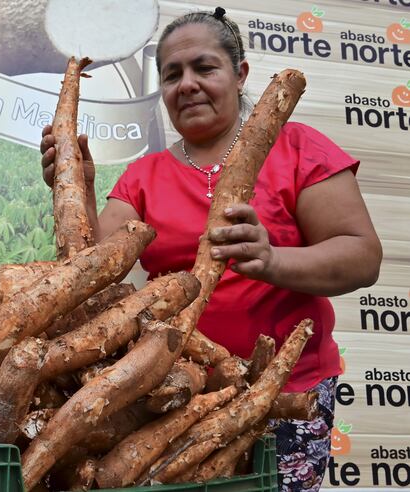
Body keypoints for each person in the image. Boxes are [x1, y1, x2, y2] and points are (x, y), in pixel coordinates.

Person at [39, 7, 382, 492]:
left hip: (281, 391)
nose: (187, 84)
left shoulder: (298, 147)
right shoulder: (145, 174)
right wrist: (81, 189)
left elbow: (362, 256)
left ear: (240, 74)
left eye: (205, 67)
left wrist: (272, 260)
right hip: (172, 393)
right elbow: (95, 266)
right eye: (172, 74)